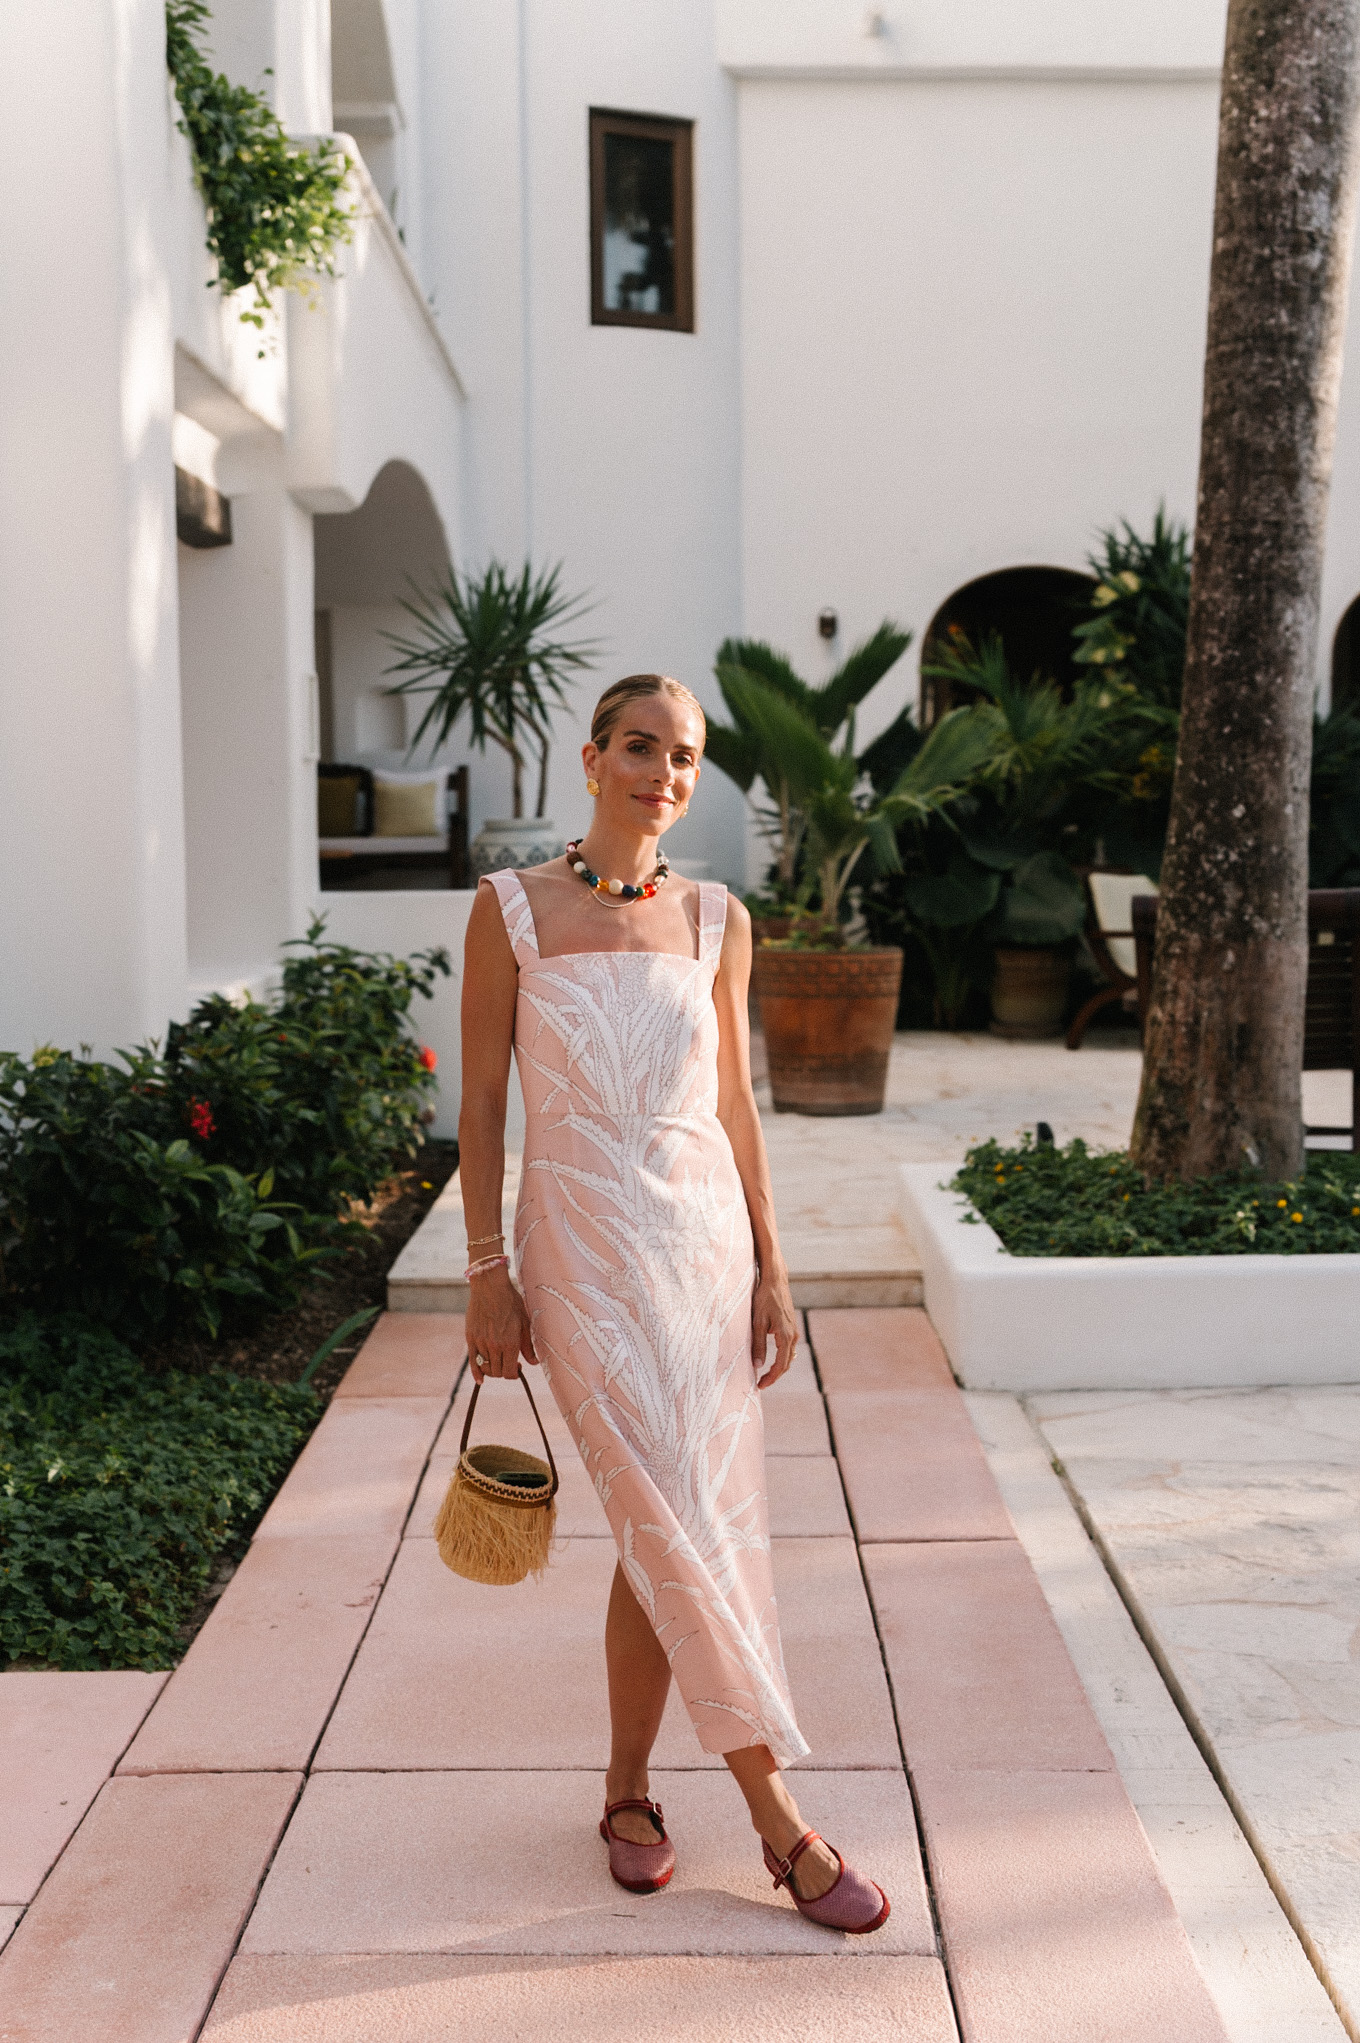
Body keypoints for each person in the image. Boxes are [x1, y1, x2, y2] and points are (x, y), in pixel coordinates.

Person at [458, 672, 889, 1933]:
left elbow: (735, 1105)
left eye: (685, 756)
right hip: (578, 1253)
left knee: (676, 1518)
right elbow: (482, 1106)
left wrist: (773, 1263)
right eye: (639, 746)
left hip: (699, 1254)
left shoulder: (717, 919)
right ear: (590, 759)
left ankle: (630, 1791)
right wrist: (486, 1271)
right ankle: (782, 1827)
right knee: (664, 1512)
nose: (662, 771)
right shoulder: (509, 912)